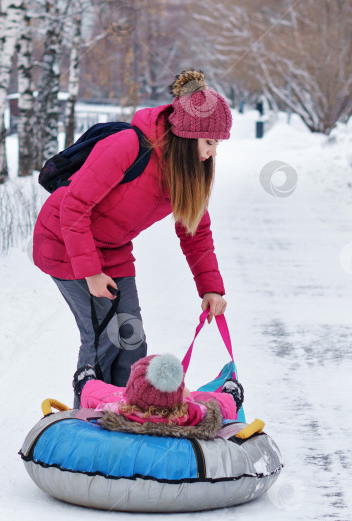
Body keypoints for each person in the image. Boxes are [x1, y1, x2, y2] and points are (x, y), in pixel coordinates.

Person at [32, 69, 232, 407]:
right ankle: (88, 419)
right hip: (64, 241)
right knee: (102, 338)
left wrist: (211, 288)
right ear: (187, 136)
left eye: (218, 145)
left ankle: (125, 416)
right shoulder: (128, 146)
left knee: (130, 340)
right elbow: (74, 206)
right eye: (210, 142)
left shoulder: (186, 172)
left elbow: (195, 231)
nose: (213, 152)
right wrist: (90, 272)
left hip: (111, 246)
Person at [80, 353, 242, 439]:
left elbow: (98, 394)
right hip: (181, 411)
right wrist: (232, 395)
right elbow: (221, 405)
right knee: (199, 397)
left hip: (135, 413)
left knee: (109, 393)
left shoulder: (119, 408)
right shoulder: (195, 413)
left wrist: (85, 381)